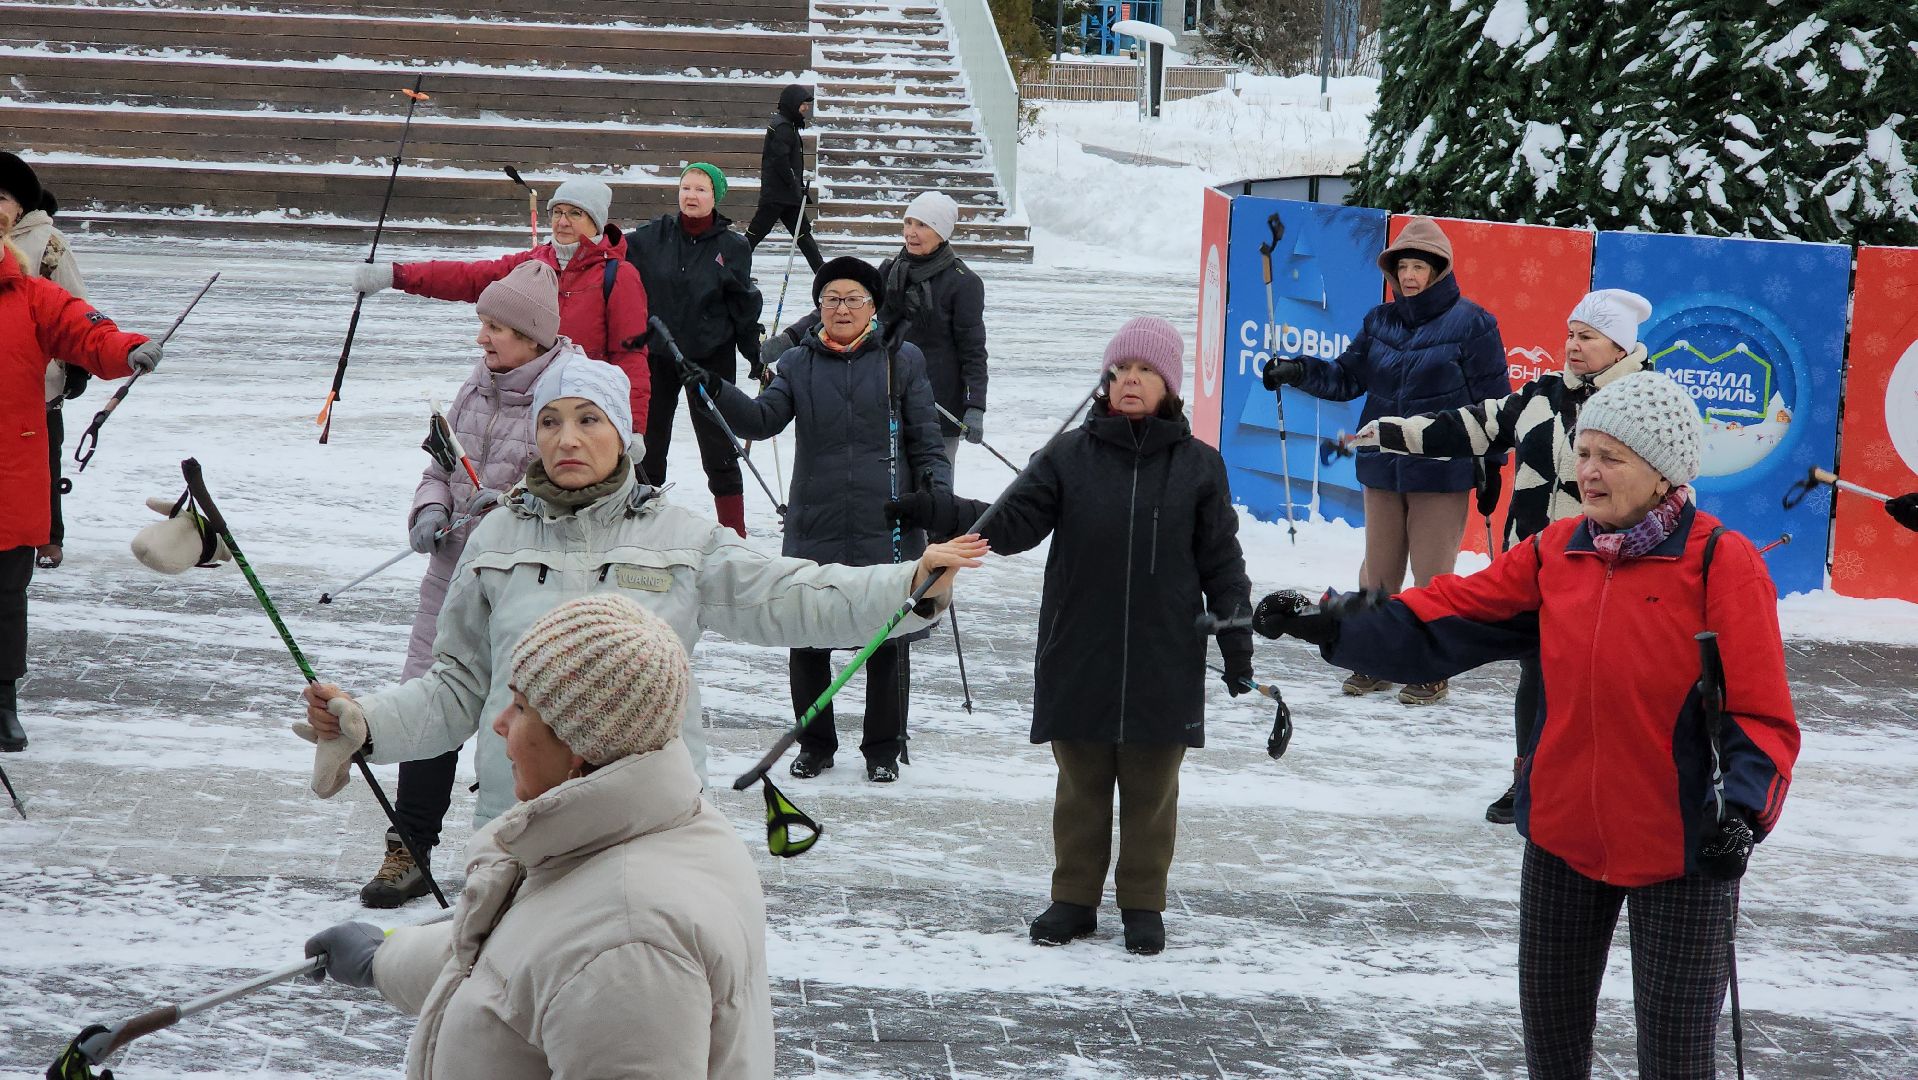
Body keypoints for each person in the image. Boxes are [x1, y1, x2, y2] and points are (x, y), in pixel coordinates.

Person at [1252, 371, 1798, 1077]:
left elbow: (1761, 714)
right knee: (1553, 1052)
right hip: (1563, 838)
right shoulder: (1556, 553)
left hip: (1686, 846)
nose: (1590, 472)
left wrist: (1746, 814)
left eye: (1612, 457)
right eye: (1586, 452)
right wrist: (1329, 621)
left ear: (1663, 473)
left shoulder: (1724, 565)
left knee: (1676, 1059)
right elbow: (1443, 617)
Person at [295, 352, 986, 827]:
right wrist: (370, 724)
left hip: (650, 829)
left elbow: (796, 595)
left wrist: (910, 584)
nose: (567, 438)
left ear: (625, 433)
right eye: (550, 421)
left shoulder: (681, 537)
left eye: (588, 419)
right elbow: (454, 690)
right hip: (517, 828)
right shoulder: (495, 540)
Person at [889, 317, 1254, 956]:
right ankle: (1074, 899)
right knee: (1081, 784)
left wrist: (1236, 641)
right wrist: (936, 510)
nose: (1131, 381)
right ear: (1104, 384)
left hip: (1164, 651)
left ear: (1168, 386)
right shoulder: (1068, 457)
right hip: (1079, 643)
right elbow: (1011, 523)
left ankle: (1143, 904)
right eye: (1120, 371)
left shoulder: (1200, 467)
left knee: (1151, 788)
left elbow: (1222, 561)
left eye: (1145, 371)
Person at [303, 595, 773, 1078]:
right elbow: (512, 961)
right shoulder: (639, 833)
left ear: (579, 741)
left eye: (522, 706)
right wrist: (384, 957)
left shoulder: (628, 948)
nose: (500, 723)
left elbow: (578, 957)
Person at [1350, 289, 1653, 824]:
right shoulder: (1542, 395)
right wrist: (1393, 431)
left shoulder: (1646, 402)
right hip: (1539, 567)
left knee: (1605, 685)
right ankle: (1527, 780)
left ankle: (1604, 786)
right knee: (1536, 675)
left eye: (1587, 337)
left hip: (1615, 568)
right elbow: (1472, 425)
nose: (1573, 346)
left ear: (1620, 346)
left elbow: (1672, 484)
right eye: (1570, 334)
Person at [359, 261, 588, 909]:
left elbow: (577, 486)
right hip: (452, 573)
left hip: (525, 585)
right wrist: (430, 507)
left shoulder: (567, 395)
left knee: (521, 721)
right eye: (481, 324)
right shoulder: (476, 385)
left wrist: (517, 506)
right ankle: (410, 846)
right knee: (433, 703)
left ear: (534, 336)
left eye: (496, 328)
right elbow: (438, 461)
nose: (482, 339)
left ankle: (514, 854)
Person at [706, 257, 951, 783]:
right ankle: (815, 744)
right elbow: (762, 420)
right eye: (831, 299)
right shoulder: (797, 363)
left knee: (887, 634)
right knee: (808, 631)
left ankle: (883, 747)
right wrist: (714, 387)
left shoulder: (901, 360)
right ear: (819, 308)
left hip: (886, 519)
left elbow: (927, 442)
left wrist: (936, 498)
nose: (841, 308)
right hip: (814, 519)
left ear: (872, 307)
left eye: (853, 299)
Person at [1262, 216, 1508, 705]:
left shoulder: (1474, 324)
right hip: (1381, 465)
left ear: (1440, 270)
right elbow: (1347, 378)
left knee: (1433, 577)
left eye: (1420, 266)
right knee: (1377, 573)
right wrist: (1297, 370)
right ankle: (1371, 658)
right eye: (1404, 266)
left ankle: (1429, 667)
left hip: (1441, 470)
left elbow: (1495, 405)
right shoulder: (1380, 321)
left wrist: (1492, 465)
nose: (1411, 276)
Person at [2, 150, 162, 754]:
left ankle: (1, 702)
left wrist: (125, 348)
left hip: (11, 462)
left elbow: (85, 326)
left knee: (4, 596)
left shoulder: (30, 292)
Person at [349, 176, 652, 437]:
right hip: (524, 404)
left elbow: (631, 357)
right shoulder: (532, 265)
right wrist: (396, 275)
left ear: (595, 222)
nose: (562, 221)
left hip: (582, 408)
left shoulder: (619, 276)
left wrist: (633, 427)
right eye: (557, 212)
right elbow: (469, 279)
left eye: (575, 213)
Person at [762, 191, 988, 464]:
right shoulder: (890, 271)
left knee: (932, 488)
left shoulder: (963, 283)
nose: (911, 233)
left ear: (942, 232)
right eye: (908, 223)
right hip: (886, 393)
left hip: (938, 402)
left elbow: (973, 350)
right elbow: (845, 306)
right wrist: (790, 338)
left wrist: (975, 405)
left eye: (922, 225)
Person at [626, 163, 764, 537]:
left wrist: (755, 354)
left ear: (715, 196)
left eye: (701, 189)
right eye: (686, 187)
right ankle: (643, 529)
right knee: (649, 447)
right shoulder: (653, 236)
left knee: (719, 448)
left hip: (710, 358)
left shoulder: (732, 247)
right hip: (657, 354)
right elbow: (614, 249)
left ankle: (734, 534)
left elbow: (742, 304)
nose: (691, 195)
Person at [4, 179, 88, 571]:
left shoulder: (48, 242)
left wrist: (77, 366)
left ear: (19, 207)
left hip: (38, 377)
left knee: (43, 460)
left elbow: (74, 301)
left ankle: (50, 536)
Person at [744, 83, 823, 272]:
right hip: (777, 197)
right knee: (754, 236)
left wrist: (797, 187)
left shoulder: (787, 124)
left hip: (786, 196)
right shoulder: (783, 127)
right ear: (792, 103)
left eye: (807, 104)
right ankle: (730, 270)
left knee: (803, 234)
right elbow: (780, 161)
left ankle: (824, 274)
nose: (806, 108)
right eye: (803, 103)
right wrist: (795, 185)